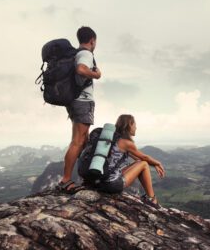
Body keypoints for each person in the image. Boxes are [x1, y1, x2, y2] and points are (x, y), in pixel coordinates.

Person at [57, 26, 101, 193]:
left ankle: (83, 177)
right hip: (82, 101)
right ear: (92, 40)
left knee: (83, 141)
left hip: (76, 101)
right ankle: (66, 180)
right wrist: (97, 75)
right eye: (95, 41)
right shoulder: (86, 54)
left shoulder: (77, 53)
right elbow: (81, 69)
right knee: (77, 141)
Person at [97, 114, 166, 207]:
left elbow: (138, 159)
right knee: (144, 164)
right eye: (134, 125)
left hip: (100, 181)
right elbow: (144, 158)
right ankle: (152, 199)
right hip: (111, 185)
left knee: (140, 163)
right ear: (129, 124)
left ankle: (150, 198)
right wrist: (158, 163)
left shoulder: (113, 139)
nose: (136, 127)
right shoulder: (126, 142)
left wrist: (153, 164)